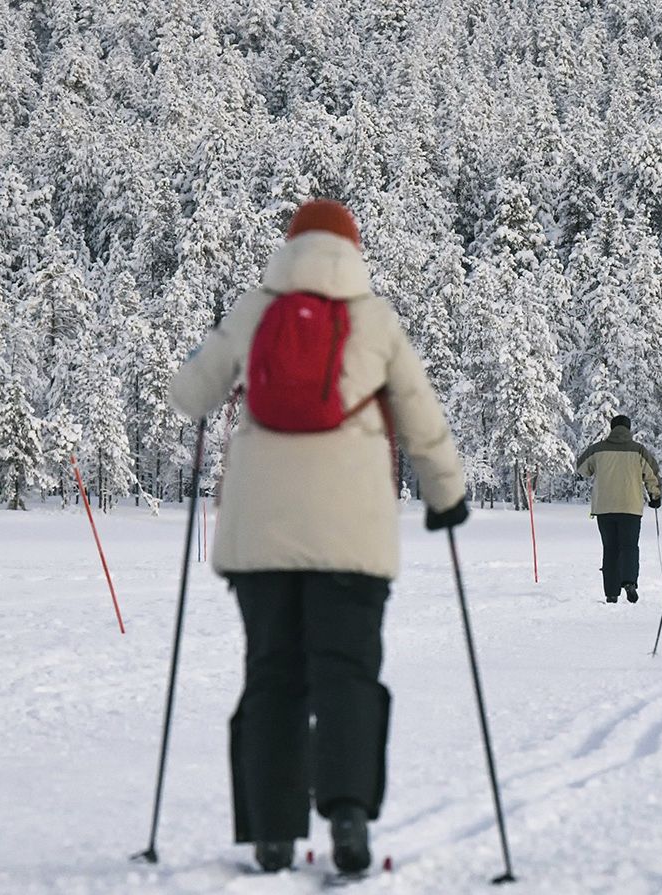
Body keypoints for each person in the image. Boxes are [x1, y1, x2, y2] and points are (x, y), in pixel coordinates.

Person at [169, 200, 471, 875]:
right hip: (352, 540)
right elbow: (423, 420)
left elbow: (189, 394)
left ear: (290, 246)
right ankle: (349, 817)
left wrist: (208, 365)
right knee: (348, 673)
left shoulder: (254, 311)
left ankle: (273, 835)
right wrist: (446, 496)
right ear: (353, 250)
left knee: (272, 673)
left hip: (260, 540)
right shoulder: (376, 320)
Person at [575, 414, 662, 604]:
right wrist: (655, 496)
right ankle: (630, 582)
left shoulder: (598, 449)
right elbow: (652, 474)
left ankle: (611, 593)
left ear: (612, 428)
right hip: (630, 508)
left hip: (605, 508)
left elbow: (581, 468)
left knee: (610, 549)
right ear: (628, 429)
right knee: (629, 546)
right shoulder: (639, 450)